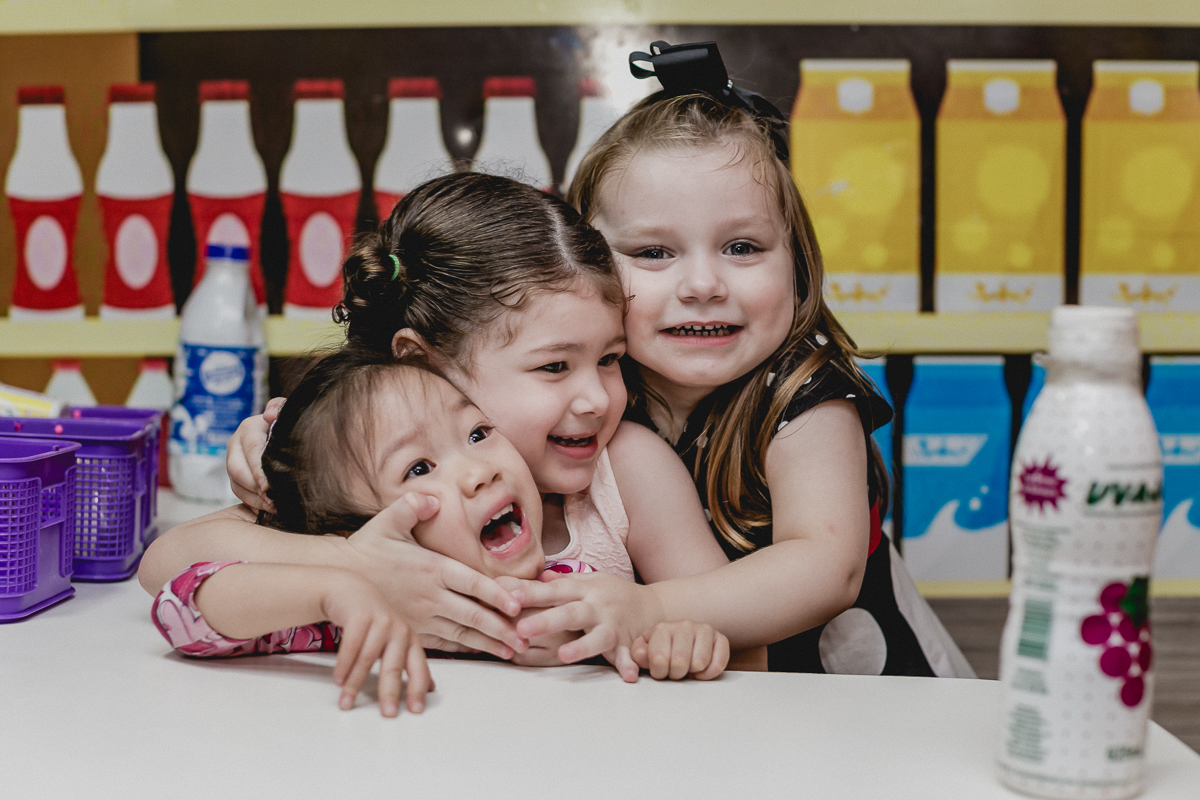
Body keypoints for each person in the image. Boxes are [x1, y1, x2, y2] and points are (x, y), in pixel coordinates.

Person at [142, 172, 739, 680]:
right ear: (422, 361)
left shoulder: (624, 470)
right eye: (554, 365)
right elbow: (169, 567)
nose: (598, 398)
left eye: (609, 359)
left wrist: (654, 621)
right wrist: (355, 567)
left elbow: (736, 637)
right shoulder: (365, 477)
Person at [506, 41, 974, 677]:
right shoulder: (602, 394)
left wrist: (648, 608)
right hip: (710, 703)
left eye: (743, 247)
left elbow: (826, 568)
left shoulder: (808, 395)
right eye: (653, 253)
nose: (703, 284)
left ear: (797, 261)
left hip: (861, 704)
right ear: (588, 268)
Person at [152, 348, 729, 719]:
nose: (480, 470)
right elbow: (184, 608)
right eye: (419, 469)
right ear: (361, 528)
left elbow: (680, 669)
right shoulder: (343, 620)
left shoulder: (580, 593)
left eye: (478, 432)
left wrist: (677, 641)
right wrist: (334, 586)